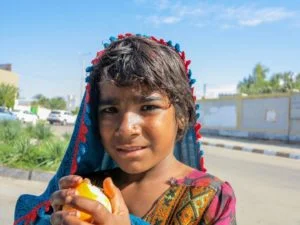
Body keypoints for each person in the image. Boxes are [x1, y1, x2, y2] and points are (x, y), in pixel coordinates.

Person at [14, 33, 236, 225]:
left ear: (182, 115)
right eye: (110, 110)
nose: (126, 129)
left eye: (148, 107)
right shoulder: (88, 188)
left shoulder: (212, 199)